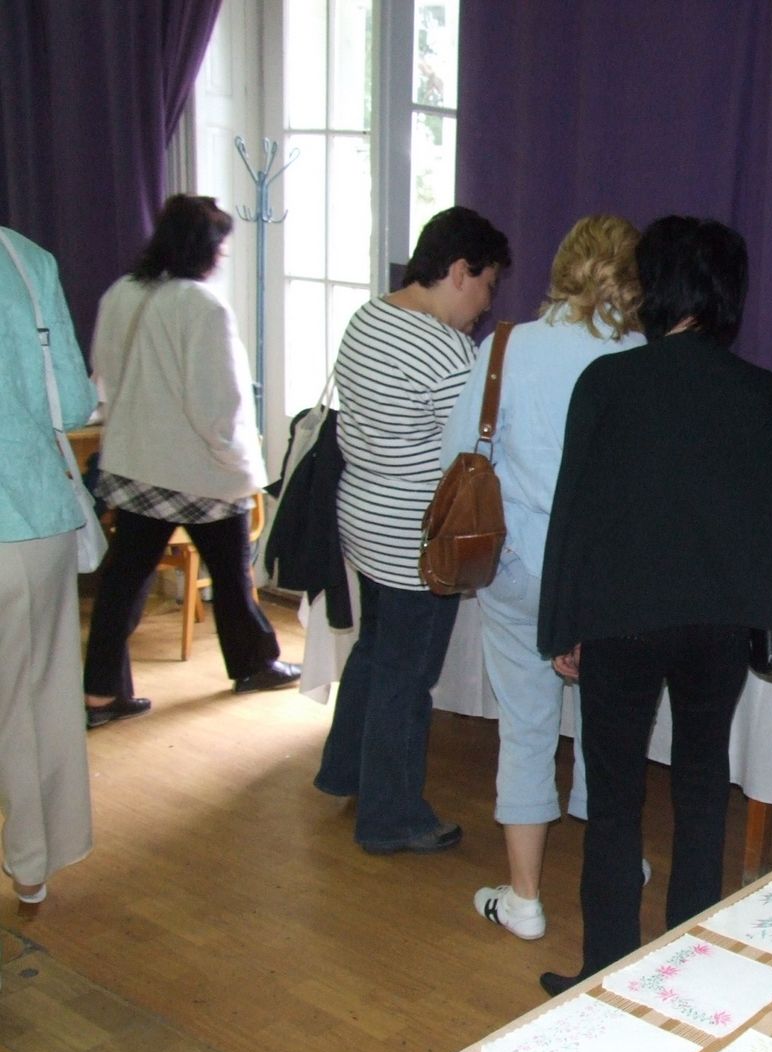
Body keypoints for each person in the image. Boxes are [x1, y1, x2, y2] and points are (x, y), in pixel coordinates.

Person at [536, 215, 772, 994]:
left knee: (614, 795)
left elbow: (576, 514)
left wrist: (563, 624)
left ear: (654, 287)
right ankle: (688, 970)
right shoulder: (759, 391)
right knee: (702, 787)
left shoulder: (609, 382)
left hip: (620, 620)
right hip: (718, 626)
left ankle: (605, 972)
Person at [438, 215, 645, 937]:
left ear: (563, 267)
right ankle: (617, 863)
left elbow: (460, 456)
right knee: (607, 727)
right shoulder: (643, 356)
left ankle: (524, 900)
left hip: (520, 569)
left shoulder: (506, 347)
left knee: (526, 728)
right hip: (608, 579)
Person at [314, 206, 510, 855]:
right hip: (417, 540)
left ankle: (345, 769)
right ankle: (391, 816)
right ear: (459, 271)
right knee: (407, 677)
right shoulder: (444, 348)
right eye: (486, 286)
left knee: (375, 652)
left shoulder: (368, 317)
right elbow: (476, 452)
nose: (485, 305)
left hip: (365, 517)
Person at [83, 196, 299, 726]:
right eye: (220, 244)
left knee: (123, 580)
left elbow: (104, 371)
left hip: (134, 464)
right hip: (198, 471)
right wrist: (238, 460)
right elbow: (218, 403)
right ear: (205, 248)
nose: (224, 254)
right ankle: (253, 664)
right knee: (231, 572)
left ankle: (100, 693)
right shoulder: (202, 307)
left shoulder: (122, 292)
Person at [0, 226, 97, 906]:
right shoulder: (23, 258)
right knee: (37, 699)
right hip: (31, 517)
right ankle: (32, 863)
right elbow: (74, 400)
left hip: (29, 518)